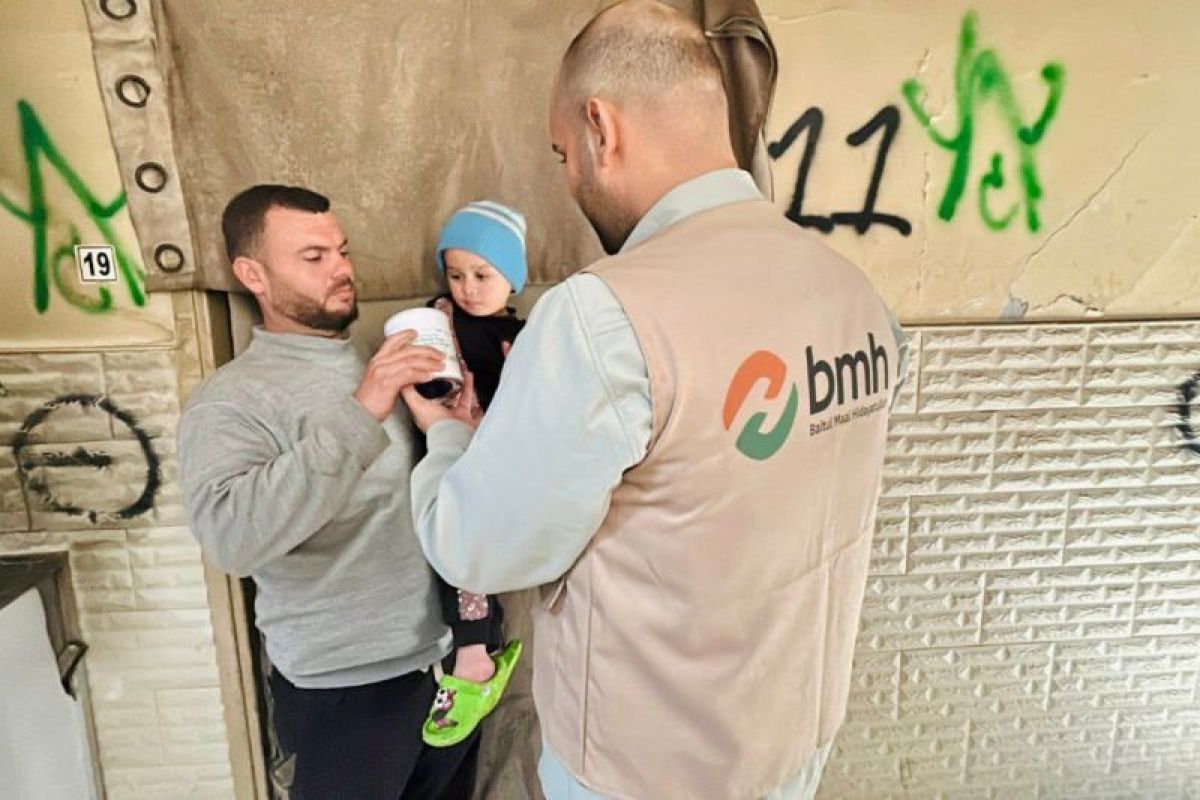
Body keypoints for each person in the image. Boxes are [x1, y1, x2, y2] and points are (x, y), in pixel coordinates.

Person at [404, 2, 909, 798]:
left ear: (601, 127)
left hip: (644, 768)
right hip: (793, 742)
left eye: (563, 154)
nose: (569, 178)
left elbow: (480, 547)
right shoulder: (852, 293)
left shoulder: (605, 316)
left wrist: (448, 437)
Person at [177, 184, 478, 799]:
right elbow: (231, 539)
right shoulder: (231, 400)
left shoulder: (375, 362)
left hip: (444, 668)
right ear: (252, 274)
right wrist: (365, 409)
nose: (340, 269)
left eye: (342, 251)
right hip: (341, 693)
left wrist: (452, 430)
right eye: (313, 257)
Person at [419, 200, 528, 746]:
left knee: (474, 558)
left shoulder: (526, 335)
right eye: (456, 274)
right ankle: (474, 654)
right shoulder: (440, 320)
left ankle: (477, 653)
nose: (468, 288)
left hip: (501, 464)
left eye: (483, 275)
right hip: (452, 455)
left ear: (513, 278)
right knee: (458, 558)